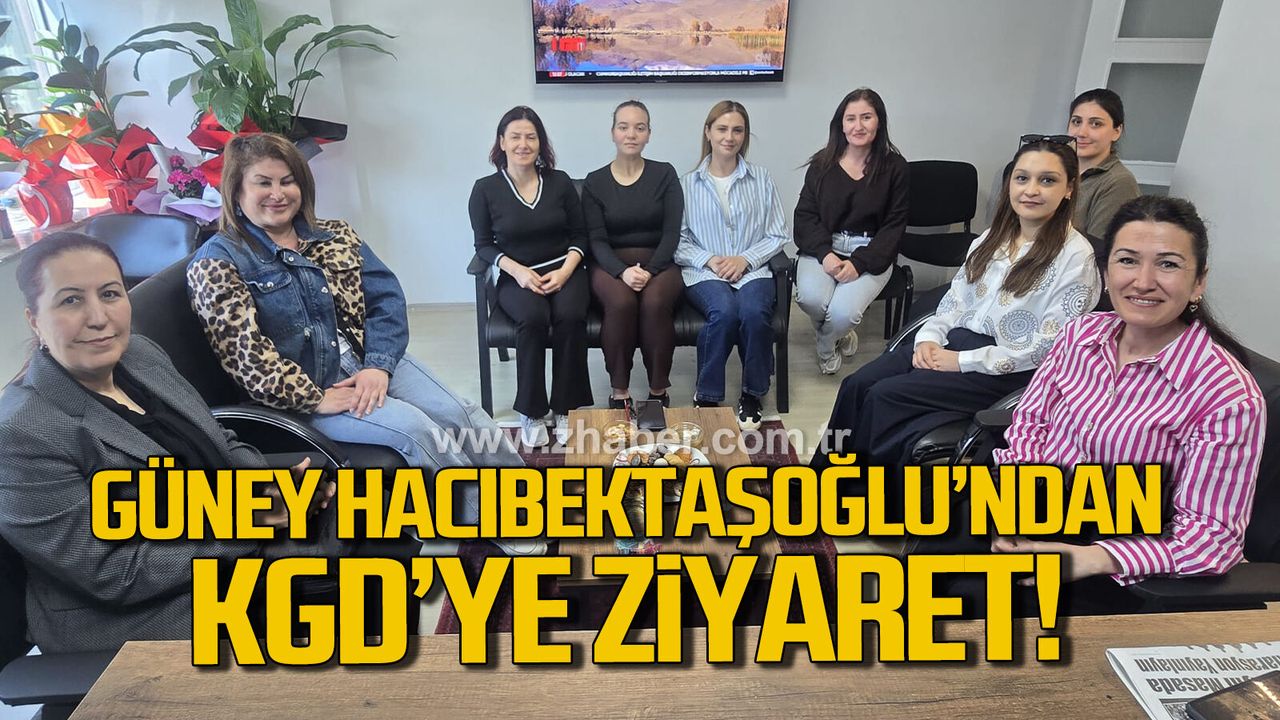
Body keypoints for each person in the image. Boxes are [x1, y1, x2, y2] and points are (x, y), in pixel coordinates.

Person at [188, 133, 542, 556]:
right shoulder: (218, 261)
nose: (278, 194)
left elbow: (386, 299)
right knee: (419, 431)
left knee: (460, 412)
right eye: (263, 183)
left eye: (288, 181)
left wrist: (378, 365)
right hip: (311, 389)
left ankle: (527, 502)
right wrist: (315, 399)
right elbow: (245, 355)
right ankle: (489, 520)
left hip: (370, 357)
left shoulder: (335, 234)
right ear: (237, 191)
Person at [0, 233, 334, 652]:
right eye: (70, 300)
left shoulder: (139, 354)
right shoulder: (22, 433)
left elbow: (219, 439)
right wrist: (253, 522)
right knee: (363, 584)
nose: (99, 318)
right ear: (34, 319)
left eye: (110, 294)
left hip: (223, 541)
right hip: (145, 609)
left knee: (377, 525)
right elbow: (111, 572)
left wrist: (273, 486)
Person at [933, 196, 1265, 616]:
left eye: (1167, 264)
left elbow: (1211, 541)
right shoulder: (1081, 336)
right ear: (1106, 273)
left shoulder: (1226, 394)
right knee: (918, 564)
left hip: (1123, 563)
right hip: (1037, 507)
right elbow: (1031, 421)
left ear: (1199, 281)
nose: (1143, 281)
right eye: (1128, 261)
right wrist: (1013, 503)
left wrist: (1092, 558)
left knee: (963, 606)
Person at [812, 137, 1101, 483]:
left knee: (883, 397)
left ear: (1069, 189)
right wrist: (929, 339)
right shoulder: (993, 238)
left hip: (1006, 368)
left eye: (1047, 180)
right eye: (1022, 178)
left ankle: (856, 492)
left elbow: (1048, 349)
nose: (1031, 190)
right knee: (856, 384)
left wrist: (960, 361)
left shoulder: (1075, 258)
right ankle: (819, 479)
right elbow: (954, 300)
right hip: (954, 342)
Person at [468, 106, 593, 447]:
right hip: (517, 275)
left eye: (531, 137)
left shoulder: (560, 182)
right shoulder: (485, 189)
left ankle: (566, 408)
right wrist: (518, 272)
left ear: (541, 143)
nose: (523, 144)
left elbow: (580, 235)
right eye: (515, 137)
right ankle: (532, 411)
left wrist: (566, 271)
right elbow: (483, 246)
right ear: (502, 142)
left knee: (570, 315)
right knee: (533, 318)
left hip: (565, 269)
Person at [675, 100, 788, 430]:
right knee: (723, 312)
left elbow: (778, 233)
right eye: (722, 129)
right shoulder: (686, 184)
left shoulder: (761, 179)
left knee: (753, 313)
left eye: (737, 130)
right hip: (704, 273)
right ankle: (707, 395)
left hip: (754, 270)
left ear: (745, 135)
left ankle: (753, 393)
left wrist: (745, 259)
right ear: (708, 132)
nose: (729, 137)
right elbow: (678, 241)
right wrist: (710, 260)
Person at [794, 88, 909, 375]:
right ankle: (841, 335)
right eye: (851, 119)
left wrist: (859, 263)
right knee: (810, 299)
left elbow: (894, 227)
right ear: (841, 124)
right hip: (824, 246)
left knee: (844, 313)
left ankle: (825, 346)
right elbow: (805, 217)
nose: (858, 126)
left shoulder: (895, 168)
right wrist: (826, 254)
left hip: (871, 251)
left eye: (866, 117)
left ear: (879, 121)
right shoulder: (821, 165)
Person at [582, 100, 684, 409]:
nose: (631, 134)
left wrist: (650, 270)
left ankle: (657, 392)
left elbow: (671, 233)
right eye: (623, 127)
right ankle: (620, 392)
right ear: (613, 132)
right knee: (621, 302)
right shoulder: (595, 181)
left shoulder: (665, 174)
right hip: (608, 265)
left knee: (654, 302)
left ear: (649, 134)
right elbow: (596, 239)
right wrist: (622, 272)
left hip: (659, 263)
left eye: (639, 128)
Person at [1067, 88, 1140, 240]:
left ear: (1117, 131)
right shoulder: (1060, 170)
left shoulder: (1119, 182)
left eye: (1095, 124)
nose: (1081, 133)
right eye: (1076, 122)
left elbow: (1098, 248)